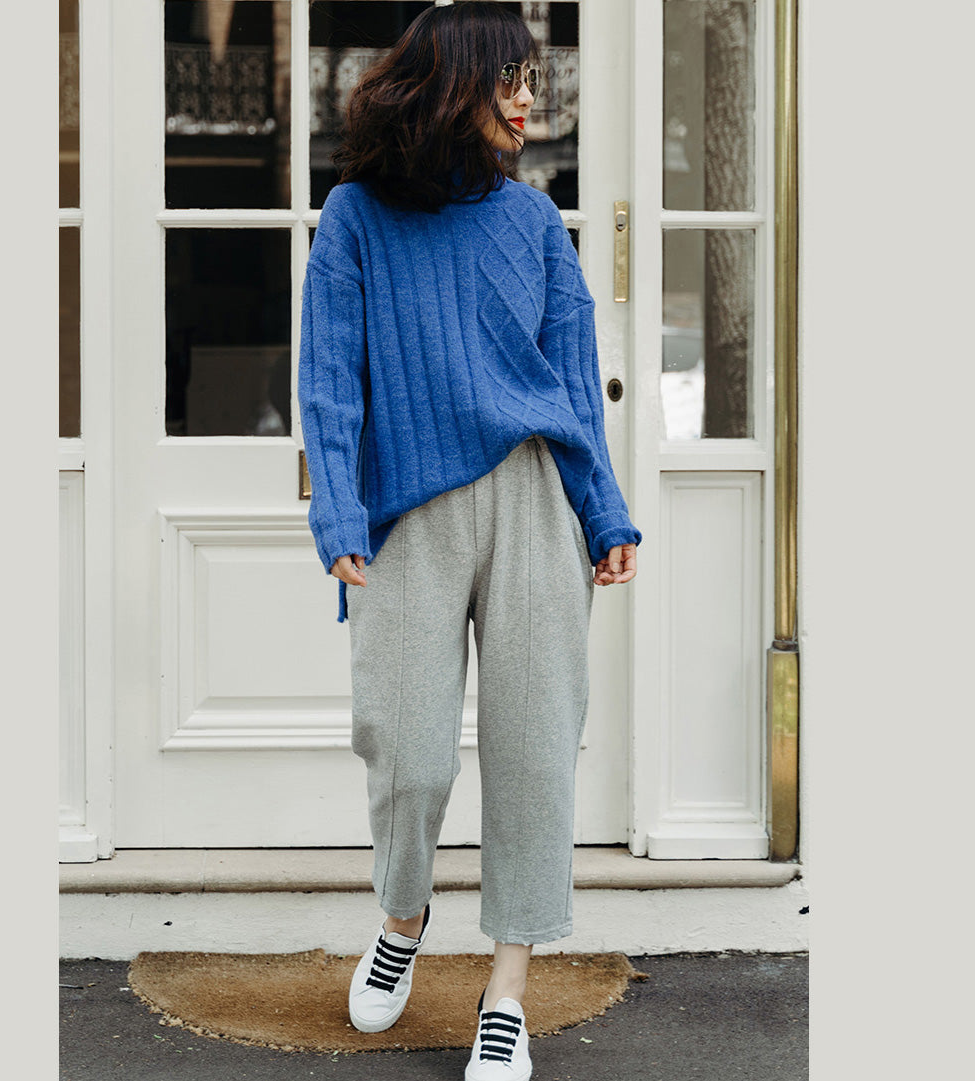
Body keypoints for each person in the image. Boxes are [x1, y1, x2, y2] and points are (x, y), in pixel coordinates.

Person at [297, 4, 640, 1079]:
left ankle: (507, 988)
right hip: (408, 508)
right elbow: (329, 380)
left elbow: (572, 384)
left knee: (534, 748)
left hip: (533, 497)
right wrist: (337, 513)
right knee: (404, 745)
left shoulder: (534, 222)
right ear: (448, 86)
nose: (529, 98)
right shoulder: (355, 218)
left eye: (533, 79)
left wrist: (603, 509)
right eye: (509, 79)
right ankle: (402, 918)